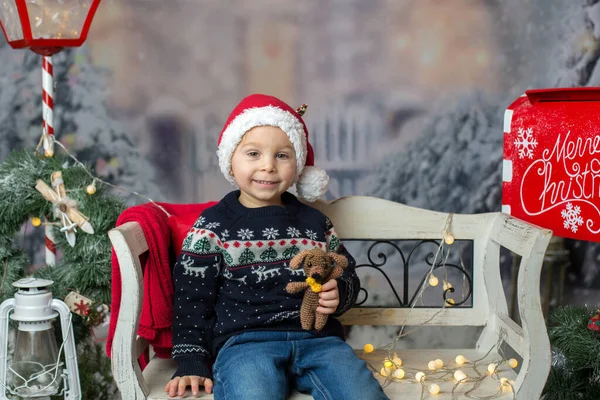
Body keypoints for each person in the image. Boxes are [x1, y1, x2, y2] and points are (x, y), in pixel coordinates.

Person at [164, 94, 389, 400]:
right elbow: (192, 298)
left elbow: (343, 268)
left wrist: (340, 292)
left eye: (282, 156)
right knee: (254, 393)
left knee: (362, 394)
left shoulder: (314, 222)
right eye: (253, 154)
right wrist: (192, 360)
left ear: (297, 165)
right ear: (230, 159)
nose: (268, 166)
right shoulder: (213, 226)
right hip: (245, 343)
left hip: (319, 341)